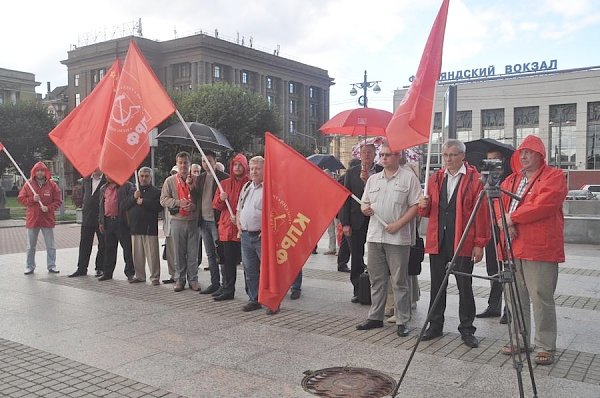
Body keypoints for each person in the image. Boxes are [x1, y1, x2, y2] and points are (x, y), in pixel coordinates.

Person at [498, 135, 567, 366]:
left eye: (529, 151)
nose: (524, 155)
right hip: (512, 245)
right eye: (521, 152)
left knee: (541, 297)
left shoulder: (554, 176)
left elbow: (544, 205)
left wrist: (512, 219)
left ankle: (545, 346)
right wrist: (504, 221)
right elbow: (498, 205)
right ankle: (519, 339)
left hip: (539, 248)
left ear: (540, 155)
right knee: (514, 296)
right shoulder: (510, 180)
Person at [418, 139, 489, 348]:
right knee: (437, 285)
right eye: (445, 155)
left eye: (453, 155)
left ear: (462, 156)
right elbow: (426, 212)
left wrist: (479, 243)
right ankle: (435, 325)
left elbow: (481, 214)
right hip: (439, 239)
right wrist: (422, 205)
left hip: (463, 239)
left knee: (464, 286)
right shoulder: (435, 178)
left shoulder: (475, 180)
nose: (448, 159)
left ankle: (467, 329)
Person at [355, 143, 421, 337]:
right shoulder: (373, 179)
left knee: (399, 281)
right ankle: (375, 317)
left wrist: (399, 224)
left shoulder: (409, 178)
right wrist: (364, 209)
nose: (383, 158)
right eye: (381, 155)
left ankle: (402, 320)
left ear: (397, 156)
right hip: (375, 236)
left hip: (398, 238)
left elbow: (416, 205)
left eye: (388, 155)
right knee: (377, 279)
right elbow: (364, 202)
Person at [340, 144, 383, 303]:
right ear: (360, 154)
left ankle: (376, 290)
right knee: (356, 256)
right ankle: (358, 289)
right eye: (364, 152)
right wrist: (345, 223)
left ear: (374, 154)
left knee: (377, 256)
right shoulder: (351, 172)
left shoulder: (381, 170)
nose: (366, 155)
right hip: (355, 220)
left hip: (376, 219)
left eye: (369, 152)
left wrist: (367, 181)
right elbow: (345, 198)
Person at [160, 152, 202, 292]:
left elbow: (201, 198)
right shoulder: (170, 181)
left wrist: (193, 202)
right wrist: (178, 202)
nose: (183, 165)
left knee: (193, 252)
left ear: (190, 164)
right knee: (178, 252)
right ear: (177, 164)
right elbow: (163, 199)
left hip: (193, 220)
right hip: (177, 220)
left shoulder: (197, 179)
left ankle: (193, 280)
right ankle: (179, 279)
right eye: (181, 163)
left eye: (185, 162)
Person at [476, 149, 508, 323]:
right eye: (488, 160)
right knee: (493, 270)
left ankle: (509, 309)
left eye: (495, 160)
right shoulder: (484, 180)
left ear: (502, 161)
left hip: (505, 228)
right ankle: (494, 305)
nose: (492, 163)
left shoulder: (509, 180)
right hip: (490, 229)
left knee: (508, 269)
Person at [212, 153, 249, 301]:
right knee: (228, 263)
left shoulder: (250, 184)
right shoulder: (224, 184)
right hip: (227, 229)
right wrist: (221, 200)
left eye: (240, 165)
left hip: (243, 229)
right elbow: (216, 205)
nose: (237, 168)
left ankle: (252, 291)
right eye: (235, 165)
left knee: (249, 264)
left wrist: (240, 219)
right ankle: (228, 289)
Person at [18, 161, 62, 275]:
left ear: (46, 172)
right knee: (30, 246)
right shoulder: (28, 184)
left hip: (47, 219)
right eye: (38, 170)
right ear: (34, 172)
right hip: (33, 220)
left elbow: (58, 201)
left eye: (42, 170)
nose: (40, 173)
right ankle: (29, 266)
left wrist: (49, 208)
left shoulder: (52, 185)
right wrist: (33, 199)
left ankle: (52, 266)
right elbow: (21, 199)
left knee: (50, 246)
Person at [196, 150, 229, 295]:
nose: (206, 164)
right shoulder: (200, 178)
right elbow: (196, 198)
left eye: (209, 161)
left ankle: (225, 284)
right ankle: (214, 283)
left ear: (215, 162)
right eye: (203, 161)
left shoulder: (223, 178)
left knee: (221, 254)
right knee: (209, 254)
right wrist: (191, 187)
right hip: (203, 221)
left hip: (217, 222)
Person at [125, 167, 163, 285]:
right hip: (135, 228)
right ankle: (140, 276)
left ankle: (155, 277)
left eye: (146, 176)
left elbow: (159, 207)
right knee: (137, 255)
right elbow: (123, 205)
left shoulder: (156, 191)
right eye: (141, 176)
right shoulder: (133, 190)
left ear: (150, 177)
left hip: (149, 228)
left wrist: (145, 202)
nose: (143, 178)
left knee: (152, 255)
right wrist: (133, 198)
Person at [236, 156, 264, 312]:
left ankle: (271, 300)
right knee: (250, 270)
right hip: (246, 236)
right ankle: (254, 299)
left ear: (265, 170)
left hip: (261, 237)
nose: (254, 171)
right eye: (252, 168)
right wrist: (239, 223)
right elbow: (239, 207)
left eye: (258, 168)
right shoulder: (247, 186)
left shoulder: (269, 188)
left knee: (267, 271)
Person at [98, 175, 135, 281]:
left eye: (109, 174)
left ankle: (130, 273)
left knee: (127, 248)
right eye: (105, 174)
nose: (107, 176)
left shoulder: (126, 185)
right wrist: (101, 221)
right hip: (108, 221)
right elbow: (101, 205)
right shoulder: (103, 188)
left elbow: (130, 201)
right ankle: (107, 273)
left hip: (121, 221)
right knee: (109, 248)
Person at [69, 168, 106, 277]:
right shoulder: (86, 180)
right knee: (84, 243)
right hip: (87, 217)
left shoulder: (106, 180)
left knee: (103, 244)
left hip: (101, 218)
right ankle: (81, 268)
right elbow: (85, 195)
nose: (95, 169)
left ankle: (100, 267)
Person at [161, 166, 179, 284]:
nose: (173, 174)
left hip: (180, 223)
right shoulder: (168, 183)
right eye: (172, 172)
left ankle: (180, 275)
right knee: (171, 252)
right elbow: (163, 200)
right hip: (169, 223)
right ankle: (173, 275)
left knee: (179, 252)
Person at [191, 163, 204, 270]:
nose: (196, 174)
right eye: (194, 171)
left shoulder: (201, 182)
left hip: (199, 217)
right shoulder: (187, 181)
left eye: (198, 172)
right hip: (186, 218)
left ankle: (197, 261)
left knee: (198, 241)